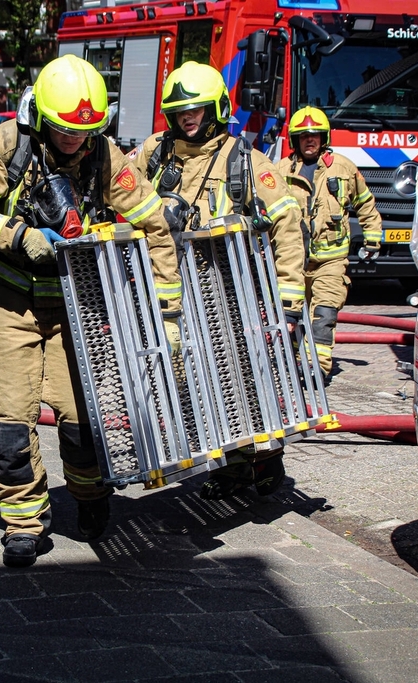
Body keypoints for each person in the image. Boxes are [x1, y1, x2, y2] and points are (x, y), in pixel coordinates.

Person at [0, 54, 182, 568]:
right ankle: (24, 524)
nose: (75, 141)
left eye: (86, 131)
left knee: (82, 420)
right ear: (41, 119)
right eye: (64, 131)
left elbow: (153, 222)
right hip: (9, 303)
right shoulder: (8, 146)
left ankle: (93, 497)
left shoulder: (103, 156)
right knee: (13, 420)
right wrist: (20, 236)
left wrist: (168, 311)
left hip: (74, 306)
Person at [133, 62, 306, 500]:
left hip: (230, 295)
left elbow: (286, 226)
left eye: (196, 109)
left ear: (216, 108)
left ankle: (265, 461)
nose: (187, 118)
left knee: (243, 378)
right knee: (189, 380)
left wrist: (289, 303)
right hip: (171, 292)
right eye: (179, 111)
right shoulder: (154, 153)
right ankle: (226, 468)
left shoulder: (244, 160)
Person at [283, 107, 382, 379]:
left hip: (331, 260)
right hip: (293, 261)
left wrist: (372, 235)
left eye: (315, 135)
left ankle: (317, 368)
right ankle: (292, 365)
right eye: (303, 136)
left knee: (324, 315)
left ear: (324, 138)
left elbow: (364, 202)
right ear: (295, 140)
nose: (310, 140)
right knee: (293, 318)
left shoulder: (342, 168)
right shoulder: (281, 171)